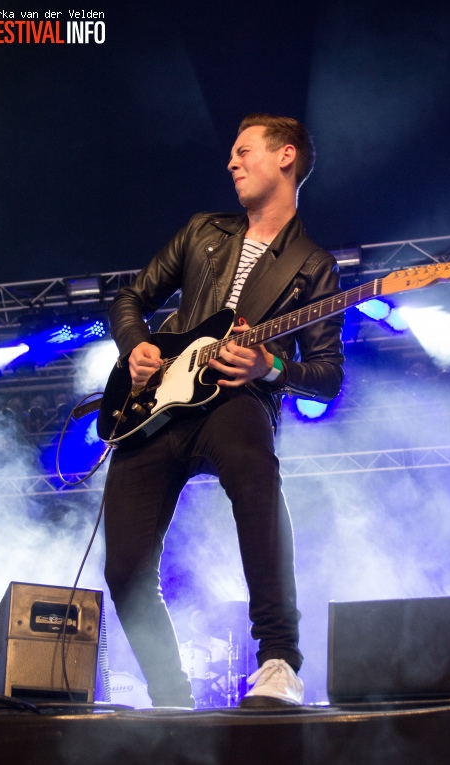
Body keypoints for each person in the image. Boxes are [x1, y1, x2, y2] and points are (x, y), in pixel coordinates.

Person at [102, 114, 344, 708]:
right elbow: (132, 296)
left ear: (286, 156)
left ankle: (279, 660)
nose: (231, 163)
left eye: (243, 151)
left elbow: (328, 376)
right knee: (124, 569)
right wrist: (137, 346)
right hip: (156, 401)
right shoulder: (203, 230)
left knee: (256, 474)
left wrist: (271, 369)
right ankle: (170, 695)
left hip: (237, 398)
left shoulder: (314, 265)